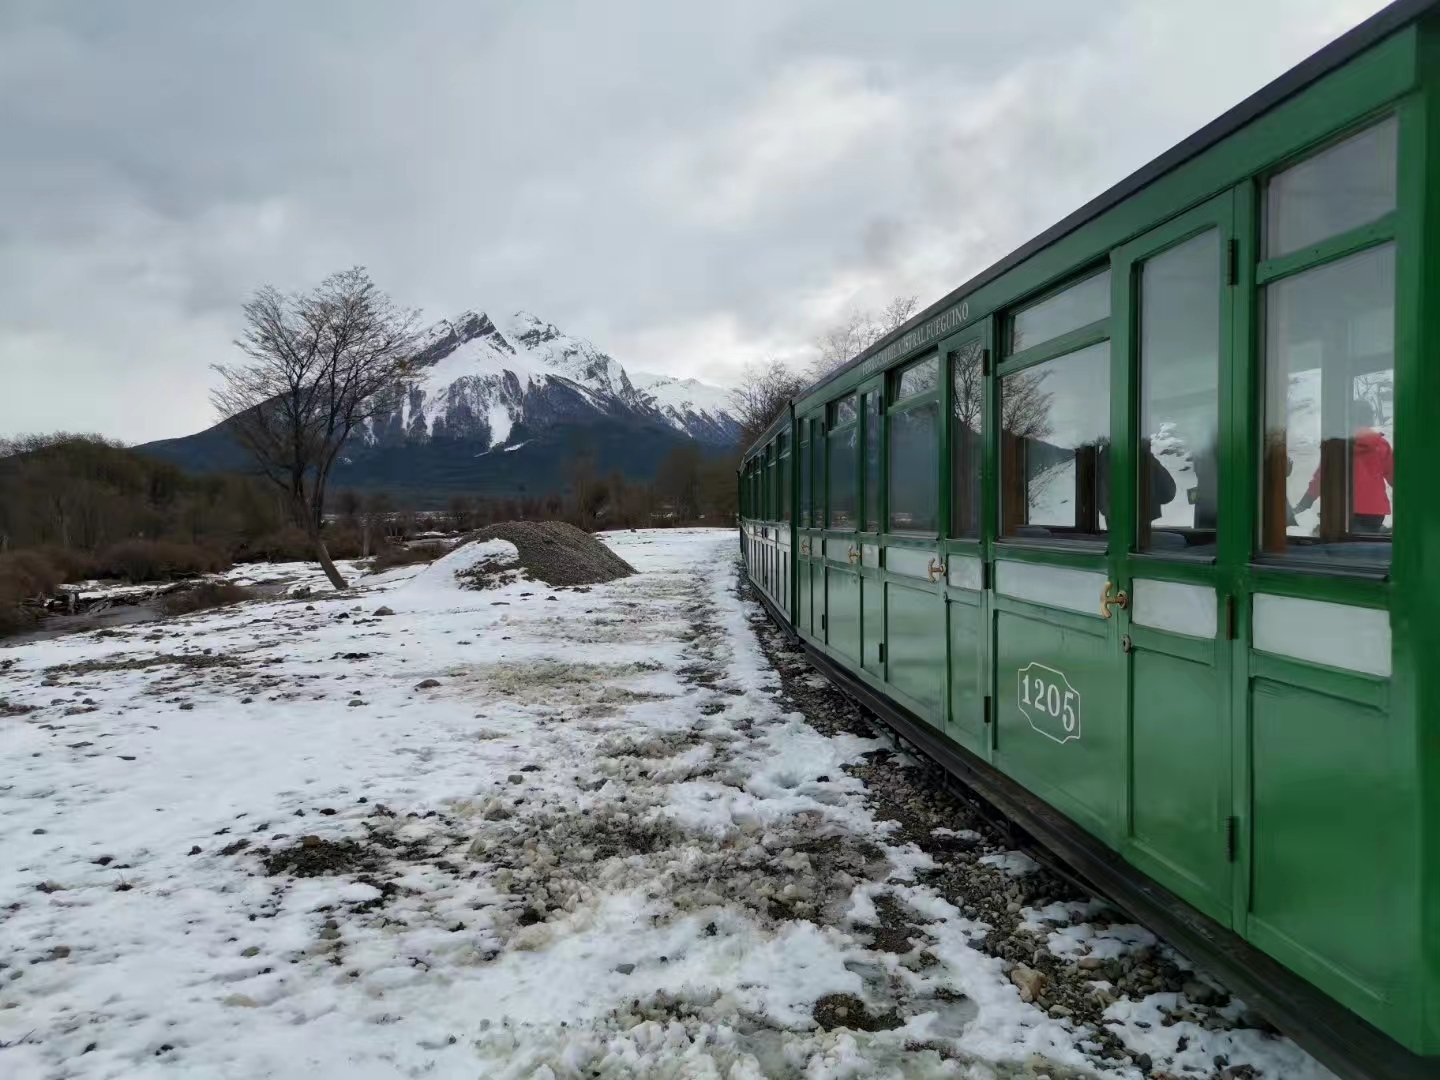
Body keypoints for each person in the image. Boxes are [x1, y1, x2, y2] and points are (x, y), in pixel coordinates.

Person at [1294, 399, 1393, 532]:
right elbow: (1394, 476)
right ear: (1369, 417)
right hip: (1374, 511)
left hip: (1342, 509)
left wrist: (1305, 503)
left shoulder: (1335, 445)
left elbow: (1321, 478)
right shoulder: (1380, 444)